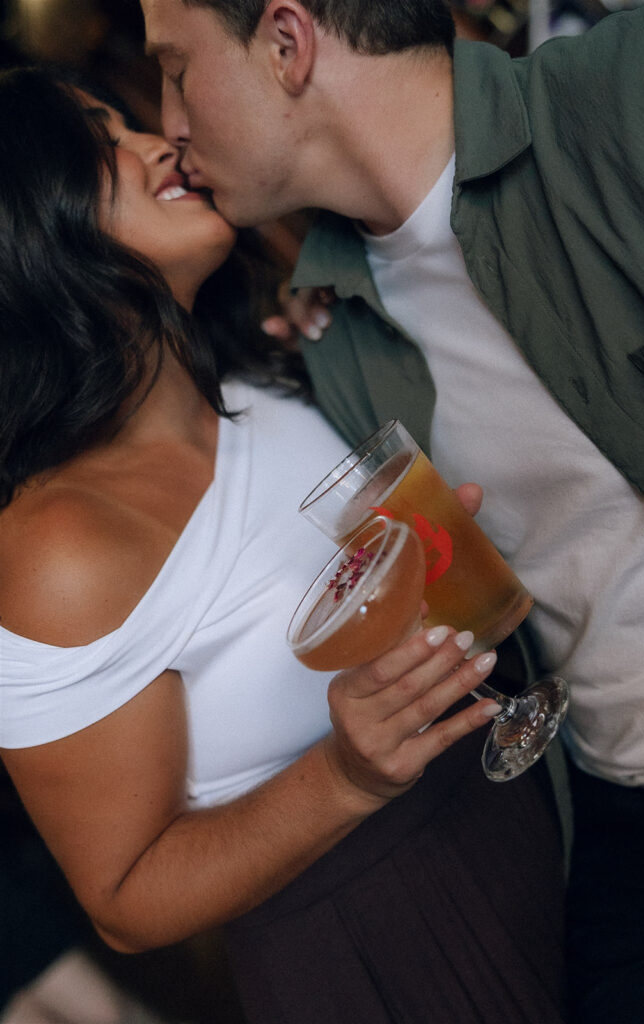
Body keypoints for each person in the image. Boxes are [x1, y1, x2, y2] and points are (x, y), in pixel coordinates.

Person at [138, 0, 644, 1021]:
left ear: (288, 42)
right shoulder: (336, 333)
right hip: (614, 814)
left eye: (175, 67)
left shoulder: (633, 92)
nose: (169, 119)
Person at [0, 65, 567, 1024]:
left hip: (534, 809)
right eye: (102, 147)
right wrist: (344, 777)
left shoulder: (261, 376)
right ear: (29, 241)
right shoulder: (58, 549)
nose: (156, 142)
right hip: (394, 933)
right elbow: (125, 899)